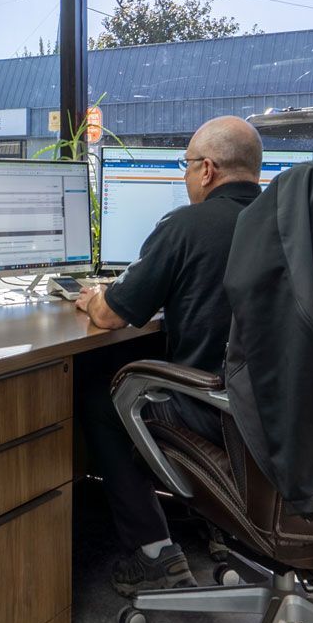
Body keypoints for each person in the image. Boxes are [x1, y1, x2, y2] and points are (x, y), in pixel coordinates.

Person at [75, 114, 264, 594]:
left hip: (216, 413)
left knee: (102, 396)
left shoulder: (187, 225)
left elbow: (112, 317)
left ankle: (154, 552)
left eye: (185, 167)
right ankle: (218, 529)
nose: (185, 178)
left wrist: (90, 297)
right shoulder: (293, 225)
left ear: (206, 170)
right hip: (279, 415)